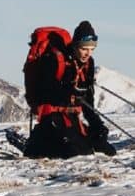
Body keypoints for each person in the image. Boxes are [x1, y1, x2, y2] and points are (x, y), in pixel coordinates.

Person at [23, 20, 116, 159]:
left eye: (91, 49)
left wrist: (98, 126)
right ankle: (37, 142)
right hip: (52, 117)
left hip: (71, 118)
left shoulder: (88, 64)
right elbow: (46, 93)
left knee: (105, 149)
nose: (87, 54)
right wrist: (70, 92)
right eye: (84, 48)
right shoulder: (55, 59)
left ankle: (44, 143)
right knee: (76, 152)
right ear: (75, 44)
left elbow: (88, 102)